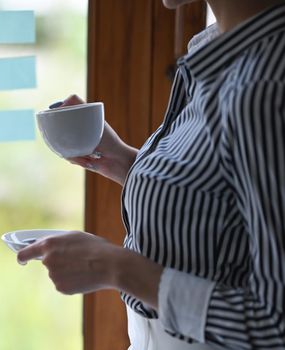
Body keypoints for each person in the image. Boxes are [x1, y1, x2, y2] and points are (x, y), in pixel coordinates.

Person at [17, 0, 285, 349]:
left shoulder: (263, 86)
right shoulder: (221, 51)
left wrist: (114, 267)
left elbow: (275, 323)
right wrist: (126, 162)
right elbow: (224, 207)